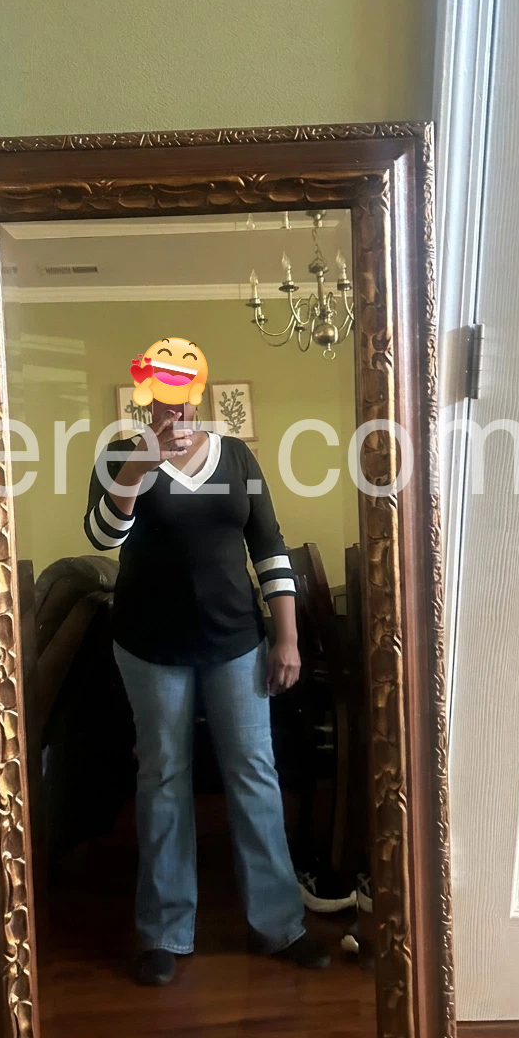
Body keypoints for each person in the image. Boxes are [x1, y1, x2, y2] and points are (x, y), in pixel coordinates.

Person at [84, 399, 330, 985]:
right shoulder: (120, 453)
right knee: (163, 776)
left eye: (185, 386)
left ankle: (280, 925)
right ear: (146, 395)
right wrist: (139, 464)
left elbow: (268, 545)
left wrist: (287, 637)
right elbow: (103, 535)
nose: (177, 404)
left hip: (236, 643)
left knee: (255, 772)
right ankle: (164, 931)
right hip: (149, 646)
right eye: (163, 389)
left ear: (198, 391)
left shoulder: (236, 457)